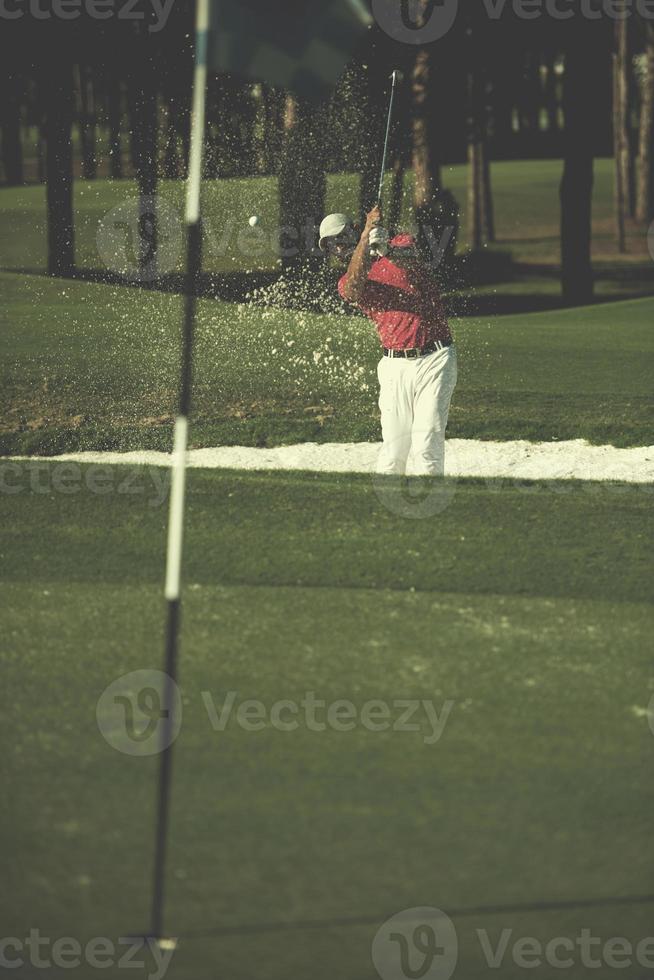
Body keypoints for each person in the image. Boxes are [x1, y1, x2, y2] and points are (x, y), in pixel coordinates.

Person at [319, 205, 457, 477]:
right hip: (394, 367)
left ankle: (433, 511)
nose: (337, 247)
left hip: (435, 359)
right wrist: (365, 240)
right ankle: (386, 515)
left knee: (426, 445)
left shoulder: (400, 243)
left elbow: (411, 260)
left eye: (341, 237)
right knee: (393, 454)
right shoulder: (347, 279)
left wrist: (386, 249)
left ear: (353, 230)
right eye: (330, 244)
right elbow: (353, 288)